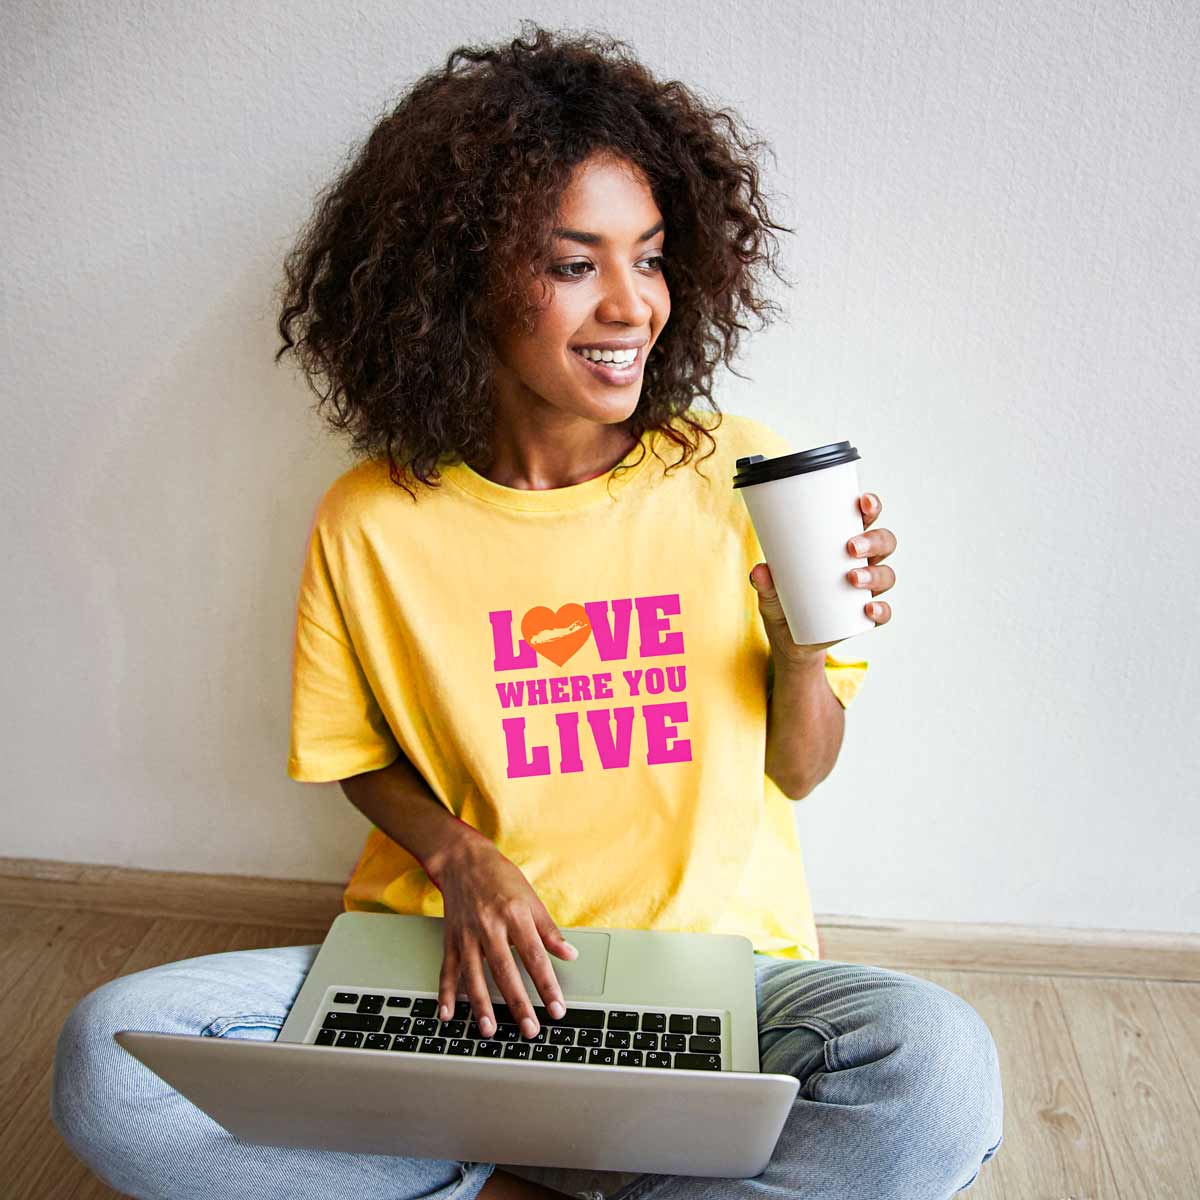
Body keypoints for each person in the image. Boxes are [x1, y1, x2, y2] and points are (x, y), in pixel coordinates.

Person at [50, 23, 1003, 1200]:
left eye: (650, 258)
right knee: (112, 1062)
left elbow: (801, 773)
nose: (630, 306)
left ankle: (499, 1159)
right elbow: (358, 757)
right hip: (442, 972)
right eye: (572, 264)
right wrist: (458, 860)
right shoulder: (372, 517)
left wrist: (807, 649)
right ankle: (548, 1159)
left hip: (715, 974)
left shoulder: (748, 475)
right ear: (459, 278)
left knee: (940, 1072)